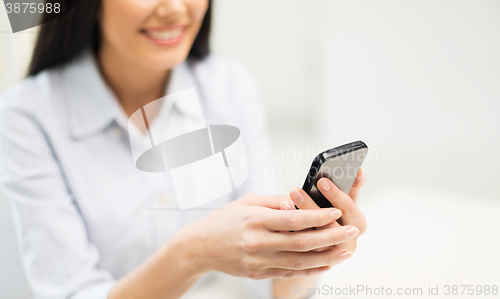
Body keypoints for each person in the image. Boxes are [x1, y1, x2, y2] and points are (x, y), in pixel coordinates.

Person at [0, 1, 367, 298]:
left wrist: (309, 253)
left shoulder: (228, 86)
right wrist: (193, 252)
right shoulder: (28, 115)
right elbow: (71, 292)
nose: (175, 8)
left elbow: (271, 291)